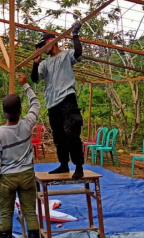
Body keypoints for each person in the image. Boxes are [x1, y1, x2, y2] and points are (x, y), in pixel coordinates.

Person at [0, 72, 41, 238]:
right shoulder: (27, 124)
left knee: (5, 215)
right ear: (20, 111)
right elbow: (36, 104)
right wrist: (25, 84)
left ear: (4, 112)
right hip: (26, 176)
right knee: (30, 213)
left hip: (7, 179)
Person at [30, 22, 85, 179]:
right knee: (59, 137)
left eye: (42, 45)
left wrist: (75, 35)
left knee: (72, 133)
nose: (41, 49)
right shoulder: (45, 63)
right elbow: (35, 79)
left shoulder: (66, 55)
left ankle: (79, 167)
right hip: (52, 104)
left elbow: (78, 53)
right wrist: (35, 64)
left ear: (50, 42)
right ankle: (63, 165)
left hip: (67, 99)